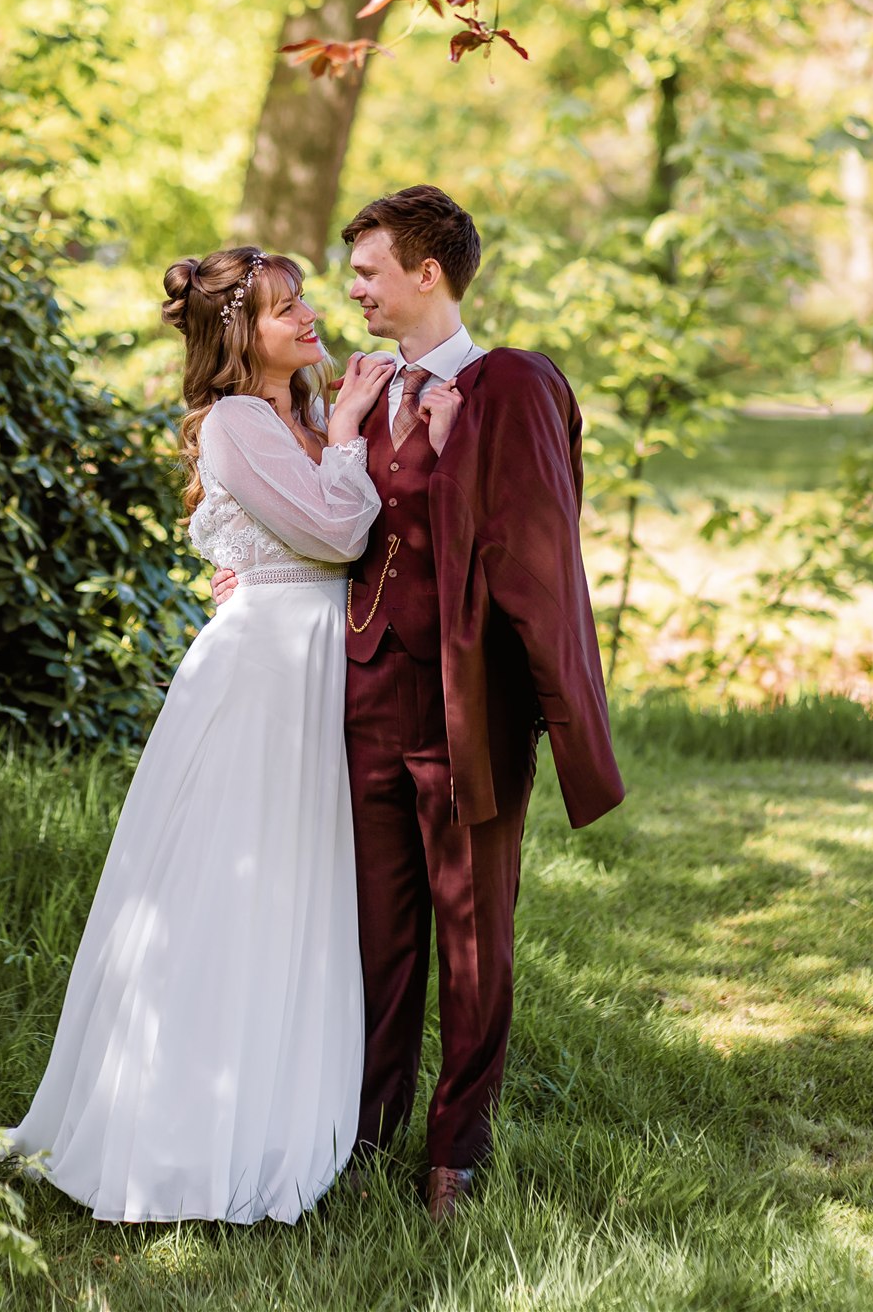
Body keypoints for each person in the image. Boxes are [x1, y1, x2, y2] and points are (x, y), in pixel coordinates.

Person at [212, 186, 624, 1222]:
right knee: (378, 938)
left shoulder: (509, 385)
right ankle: (364, 1130)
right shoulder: (349, 387)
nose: (348, 287)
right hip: (359, 702)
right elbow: (312, 516)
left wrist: (559, 717)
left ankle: (455, 1150)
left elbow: (535, 551)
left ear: (426, 272)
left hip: (465, 710)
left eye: (366, 270)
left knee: (473, 934)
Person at [0, 247, 391, 1224]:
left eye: (302, 301)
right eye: (281, 308)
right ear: (235, 334)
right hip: (263, 677)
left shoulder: (287, 415)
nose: (306, 317)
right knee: (232, 886)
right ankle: (187, 1131)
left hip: (308, 662)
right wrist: (344, 428)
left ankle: (277, 1103)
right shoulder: (241, 422)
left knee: (293, 889)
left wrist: (333, 426)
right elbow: (339, 534)